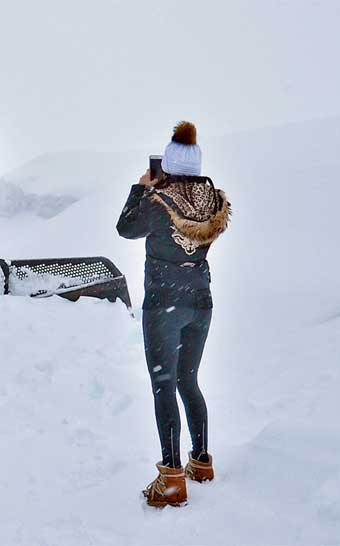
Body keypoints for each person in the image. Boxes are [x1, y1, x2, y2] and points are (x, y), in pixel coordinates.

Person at [116, 121, 231, 507]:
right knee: (188, 380)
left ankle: (170, 481)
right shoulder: (212, 202)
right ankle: (200, 462)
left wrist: (140, 188)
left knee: (164, 385)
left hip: (164, 304)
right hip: (200, 302)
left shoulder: (157, 201)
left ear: (167, 165)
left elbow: (125, 228)